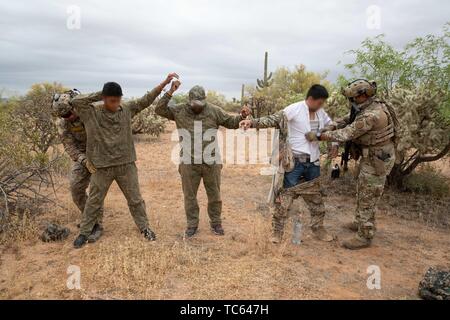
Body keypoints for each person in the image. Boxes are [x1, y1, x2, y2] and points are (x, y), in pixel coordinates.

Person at [71, 73, 179, 248]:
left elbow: (146, 100)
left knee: (135, 199)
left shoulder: (127, 109)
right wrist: (102, 93)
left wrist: (165, 83)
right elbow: (75, 102)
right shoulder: (91, 113)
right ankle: (84, 232)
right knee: (94, 201)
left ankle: (144, 228)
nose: (116, 104)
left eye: (118, 100)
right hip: (101, 167)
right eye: (112, 100)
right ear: (104, 99)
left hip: (126, 165)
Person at [305, 79, 398, 250]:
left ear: (363, 95)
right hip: (372, 156)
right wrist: (330, 126)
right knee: (363, 190)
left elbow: (348, 132)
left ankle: (365, 236)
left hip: (377, 159)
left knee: (368, 196)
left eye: (353, 98)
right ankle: (360, 222)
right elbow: (348, 119)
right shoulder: (368, 106)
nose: (351, 101)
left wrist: (319, 136)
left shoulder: (372, 115)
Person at [240, 84, 338, 244]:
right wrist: (252, 123)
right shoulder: (294, 109)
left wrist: (332, 143)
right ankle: (277, 232)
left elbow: (331, 125)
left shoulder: (321, 112)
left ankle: (318, 229)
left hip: (313, 163)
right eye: (320, 102)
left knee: (316, 198)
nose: (322, 106)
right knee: (285, 198)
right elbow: (273, 119)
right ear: (311, 99)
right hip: (294, 163)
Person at [155, 83, 251, 238]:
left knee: (214, 195)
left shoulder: (214, 111)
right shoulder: (179, 110)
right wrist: (170, 91)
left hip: (211, 162)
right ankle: (192, 224)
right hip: (188, 162)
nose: (197, 106)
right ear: (189, 100)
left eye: (201, 103)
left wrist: (242, 116)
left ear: (205, 101)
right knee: (190, 196)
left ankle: (216, 222)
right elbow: (159, 109)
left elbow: (232, 123)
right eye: (194, 103)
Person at [52, 89, 104, 242]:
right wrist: (83, 160)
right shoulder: (62, 123)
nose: (69, 117)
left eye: (69, 113)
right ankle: (89, 218)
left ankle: (96, 224)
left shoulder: (92, 112)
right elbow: (69, 146)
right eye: (64, 116)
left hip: (101, 153)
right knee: (76, 188)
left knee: (96, 189)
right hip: (82, 157)